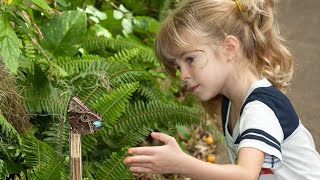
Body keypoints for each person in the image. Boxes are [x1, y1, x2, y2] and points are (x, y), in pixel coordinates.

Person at [123, 0, 320, 179]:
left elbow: (245, 175)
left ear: (229, 48)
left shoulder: (260, 109)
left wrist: (181, 164)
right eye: (178, 67)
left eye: (190, 59)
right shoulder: (231, 103)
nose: (183, 75)